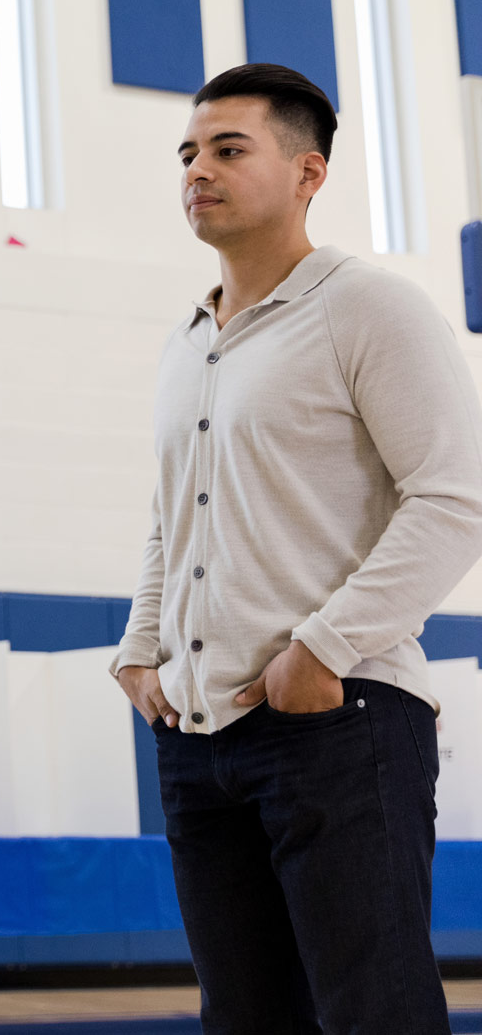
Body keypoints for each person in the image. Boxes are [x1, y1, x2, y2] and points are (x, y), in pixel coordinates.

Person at [113, 63, 482, 1035]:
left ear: (307, 171)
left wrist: (321, 647)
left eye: (227, 149)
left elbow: (452, 500)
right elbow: (171, 513)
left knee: (374, 1013)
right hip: (195, 743)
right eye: (186, 152)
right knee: (243, 1019)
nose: (197, 169)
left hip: (337, 719)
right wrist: (137, 643)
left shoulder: (367, 308)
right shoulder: (186, 341)